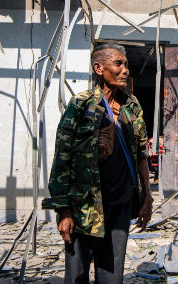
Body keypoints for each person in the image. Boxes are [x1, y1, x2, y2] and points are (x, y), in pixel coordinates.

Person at [42, 43, 153, 284]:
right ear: (99, 68)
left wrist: (147, 198)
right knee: (77, 275)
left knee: (112, 277)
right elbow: (62, 157)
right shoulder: (80, 105)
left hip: (121, 203)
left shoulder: (132, 106)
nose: (125, 70)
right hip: (85, 207)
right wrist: (63, 209)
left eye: (126, 65)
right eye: (119, 64)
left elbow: (142, 153)